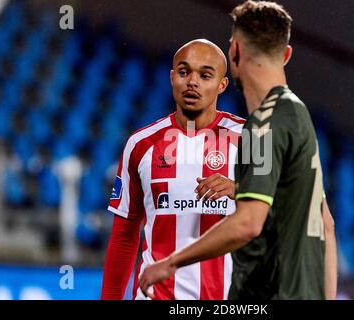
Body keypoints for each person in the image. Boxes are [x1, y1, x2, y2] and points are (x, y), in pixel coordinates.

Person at [139, 1, 338, 300]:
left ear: (234, 54)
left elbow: (247, 223)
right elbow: (327, 225)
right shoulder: (297, 114)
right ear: (286, 55)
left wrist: (171, 263)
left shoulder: (261, 127)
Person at [101, 39, 246, 300]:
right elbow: (124, 234)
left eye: (205, 75)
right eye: (183, 71)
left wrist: (241, 190)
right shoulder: (141, 144)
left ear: (222, 85)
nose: (192, 81)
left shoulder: (251, 140)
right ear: (171, 78)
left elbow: (284, 211)